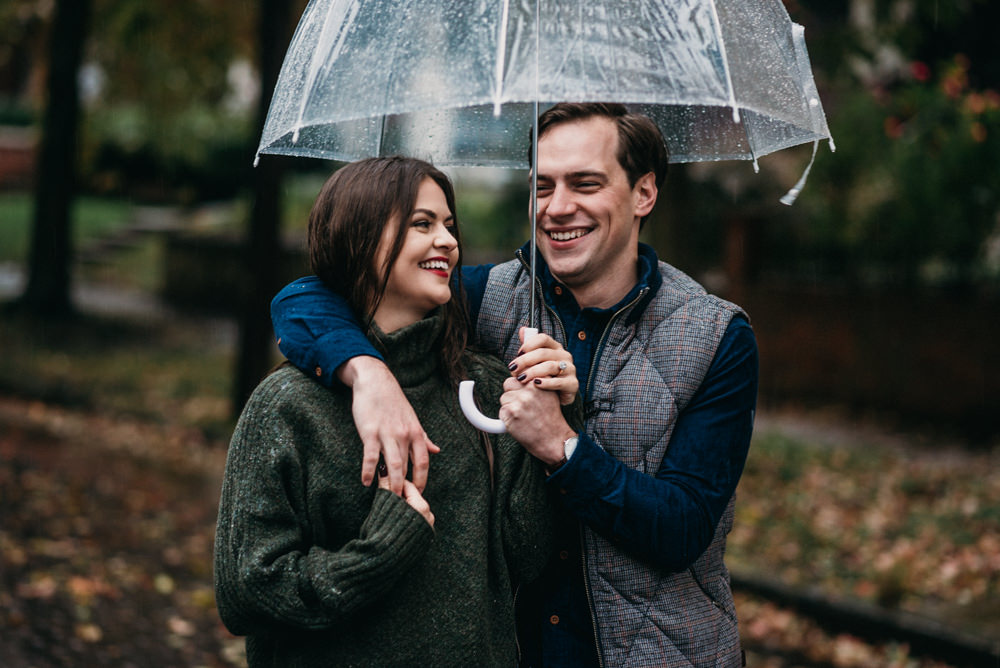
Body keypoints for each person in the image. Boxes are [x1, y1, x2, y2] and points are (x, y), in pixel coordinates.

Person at [270, 103, 759, 667]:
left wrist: (561, 446)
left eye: (585, 184)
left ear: (644, 193)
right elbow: (307, 298)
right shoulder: (489, 299)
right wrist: (367, 372)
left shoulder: (715, 334)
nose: (557, 208)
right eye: (542, 186)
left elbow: (683, 528)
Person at [213, 156, 578, 667]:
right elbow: (245, 594)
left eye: (450, 225)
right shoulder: (288, 406)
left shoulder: (488, 388)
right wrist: (380, 550)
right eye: (422, 224)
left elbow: (529, 558)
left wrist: (556, 423)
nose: (449, 242)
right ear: (358, 239)